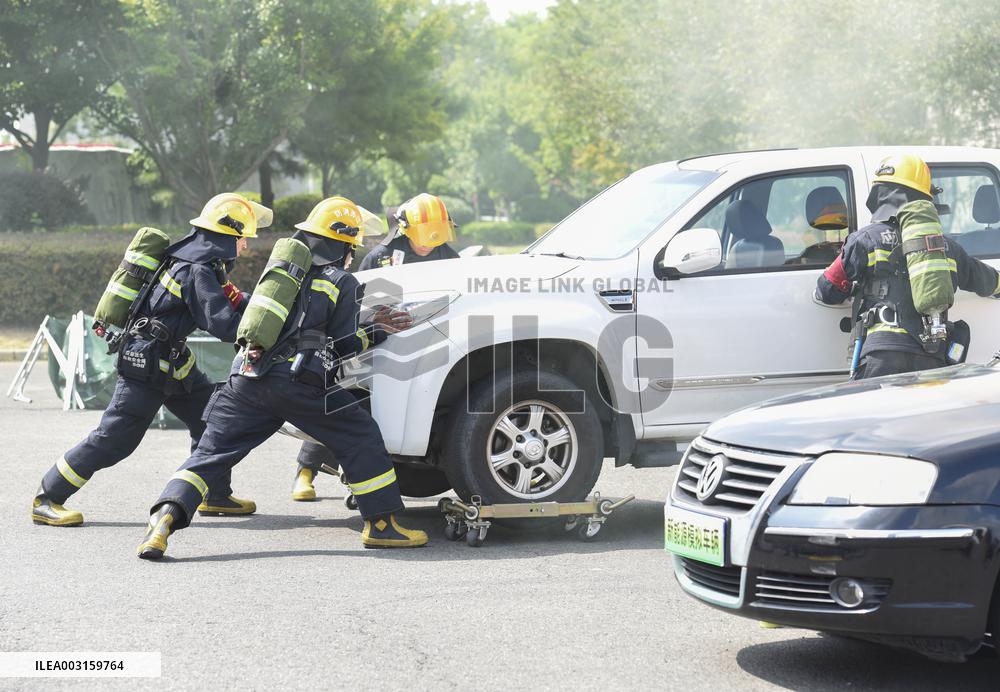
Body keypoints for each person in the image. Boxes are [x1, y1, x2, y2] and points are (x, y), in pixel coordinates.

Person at [137, 196, 427, 559]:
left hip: (245, 378)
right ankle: (382, 527)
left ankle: (163, 520)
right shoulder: (342, 281)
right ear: (343, 246)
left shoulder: (282, 275)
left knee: (209, 455)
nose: (353, 255)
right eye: (352, 247)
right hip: (298, 385)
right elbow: (341, 345)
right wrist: (377, 330)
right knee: (360, 434)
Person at [31, 193, 271, 526]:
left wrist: (269, 306)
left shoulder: (197, 261)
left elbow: (233, 299)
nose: (245, 245)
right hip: (146, 364)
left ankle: (215, 495)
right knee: (115, 438)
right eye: (243, 237)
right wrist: (264, 332)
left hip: (173, 363)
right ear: (227, 235)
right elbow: (222, 324)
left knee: (211, 420)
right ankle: (47, 497)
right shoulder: (198, 269)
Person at [291, 193, 460, 501]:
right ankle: (306, 471)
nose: (430, 242)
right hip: (376, 339)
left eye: (437, 233)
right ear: (406, 229)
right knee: (343, 401)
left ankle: (376, 479)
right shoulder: (381, 256)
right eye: (425, 233)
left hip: (426, 345)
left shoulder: (450, 258)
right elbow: (356, 299)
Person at [815, 154, 1000, 379]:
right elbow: (988, 281)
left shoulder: (864, 240)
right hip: (932, 356)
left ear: (880, 195)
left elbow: (827, 290)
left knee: (873, 404)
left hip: (883, 355)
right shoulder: (944, 247)